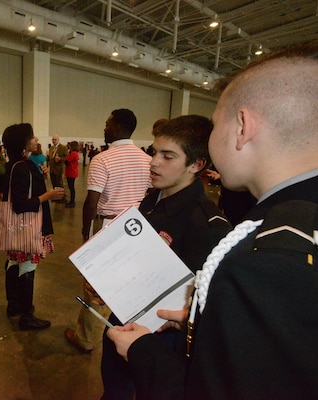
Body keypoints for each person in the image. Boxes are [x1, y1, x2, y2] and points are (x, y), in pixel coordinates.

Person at [106, 42, 318, 400]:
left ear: (242, 126)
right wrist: (200, 320)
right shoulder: (293, 219)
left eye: (217, 122)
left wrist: (144, 351)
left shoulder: (270, 257)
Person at [100, 115, 232, 400]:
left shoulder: (208, 226)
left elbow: (199, 307)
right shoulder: (152, 199)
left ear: (196, 165)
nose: (153, 162)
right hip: (122, 320)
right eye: (154, 152)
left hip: (160, 341)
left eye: (167, 156)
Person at [64, 109, 151, 354]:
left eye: (107, 124)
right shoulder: (146, 160)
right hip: (137, 229)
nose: (104, 129)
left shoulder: (103, 159)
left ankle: (86, 340)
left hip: (108, 228)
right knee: (129, 284)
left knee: (95, 290)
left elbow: (92, 202)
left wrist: (85, 234)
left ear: (119, 127)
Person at [1, 123, 64, 330]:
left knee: (13, 262)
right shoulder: (22, 167)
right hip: (28, 226)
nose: (36, 139)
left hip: (16, 229)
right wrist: (48, 195)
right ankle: (26, 315)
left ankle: (14, 305)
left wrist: (40, 176)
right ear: (24, 142)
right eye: (32, 137)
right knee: (28, 267)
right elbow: (20, 205)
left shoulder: (16, 164)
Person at [47, 134, 68, 202]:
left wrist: (60, 159)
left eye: (55, 139)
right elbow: (50, 158)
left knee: (59, 183)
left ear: (58, 140)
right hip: (52, 169)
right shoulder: (51, 148)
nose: (54, 141)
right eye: (53, 139)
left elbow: (66, 158)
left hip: (59, 168)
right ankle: (56, 197)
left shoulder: (63, 147)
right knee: (54, 183)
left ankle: (62, 197)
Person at [64, 141, 80, 208]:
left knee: (71, 188)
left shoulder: (73, 153)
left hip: (71, 172)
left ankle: (72, 202)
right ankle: (72, 201)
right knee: (71, 188)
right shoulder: (75, 153)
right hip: (72, 172)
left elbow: (66, 161)